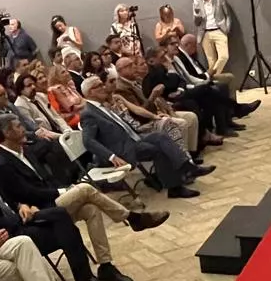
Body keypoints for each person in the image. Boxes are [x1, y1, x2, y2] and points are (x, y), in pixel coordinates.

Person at [0, 139, 128, 281]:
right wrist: (24, 217)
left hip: (21, 220)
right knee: (64, 225)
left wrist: (22, 206)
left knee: (63, 217)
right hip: (13, 237)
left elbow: (7, 199)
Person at [0, 111, 166, 265]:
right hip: (39, 211)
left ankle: (106, 265)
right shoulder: (2, 165)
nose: (23, 129)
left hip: (51, 200)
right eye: (19, 126)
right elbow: (27, 193)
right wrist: (63, 191)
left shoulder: (24, 150)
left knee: (91, 209)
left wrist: (64, 188)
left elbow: (47, 178)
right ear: (7, 133)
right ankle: (133, 218)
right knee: (85, 189)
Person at [79, 75, 209, 197]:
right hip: (122, 150)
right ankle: (177, 184)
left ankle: (187, 168)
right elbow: (88, 141)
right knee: (158, 149)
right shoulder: (89, 113)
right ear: (91, 92)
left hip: (133, 138)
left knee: (160, 137)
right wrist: (112, 156)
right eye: (100, 85)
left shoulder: (101, 106)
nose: (104, 87)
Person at [191, 0, 234, 79]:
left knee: (224, 57)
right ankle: (214, 83)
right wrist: (197, 13)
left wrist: (227, 29)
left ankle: (210, 78)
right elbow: (197, 23)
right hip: (205, 33)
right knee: (211, 61)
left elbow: (228, 15)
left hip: (219, 30)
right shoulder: (196, 3)